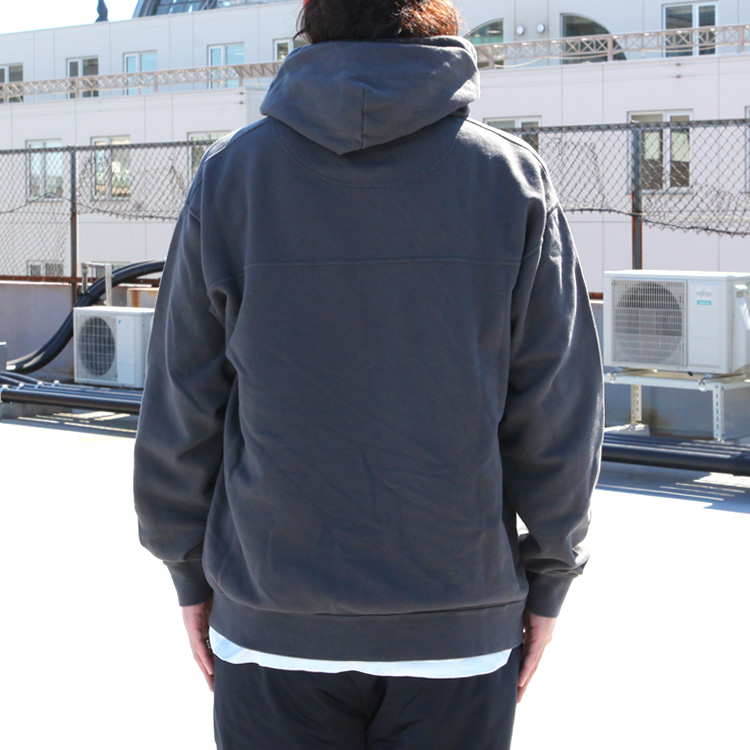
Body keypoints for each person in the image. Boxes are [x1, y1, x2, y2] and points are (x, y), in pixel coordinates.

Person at [133, 1, 604, 747]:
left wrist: (187, 566)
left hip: (272, 615)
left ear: (312, 24)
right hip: (457, 620)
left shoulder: (232, 175)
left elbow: (182, 398)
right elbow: (558, 405)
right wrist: (550, 575)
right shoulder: (511, 177)